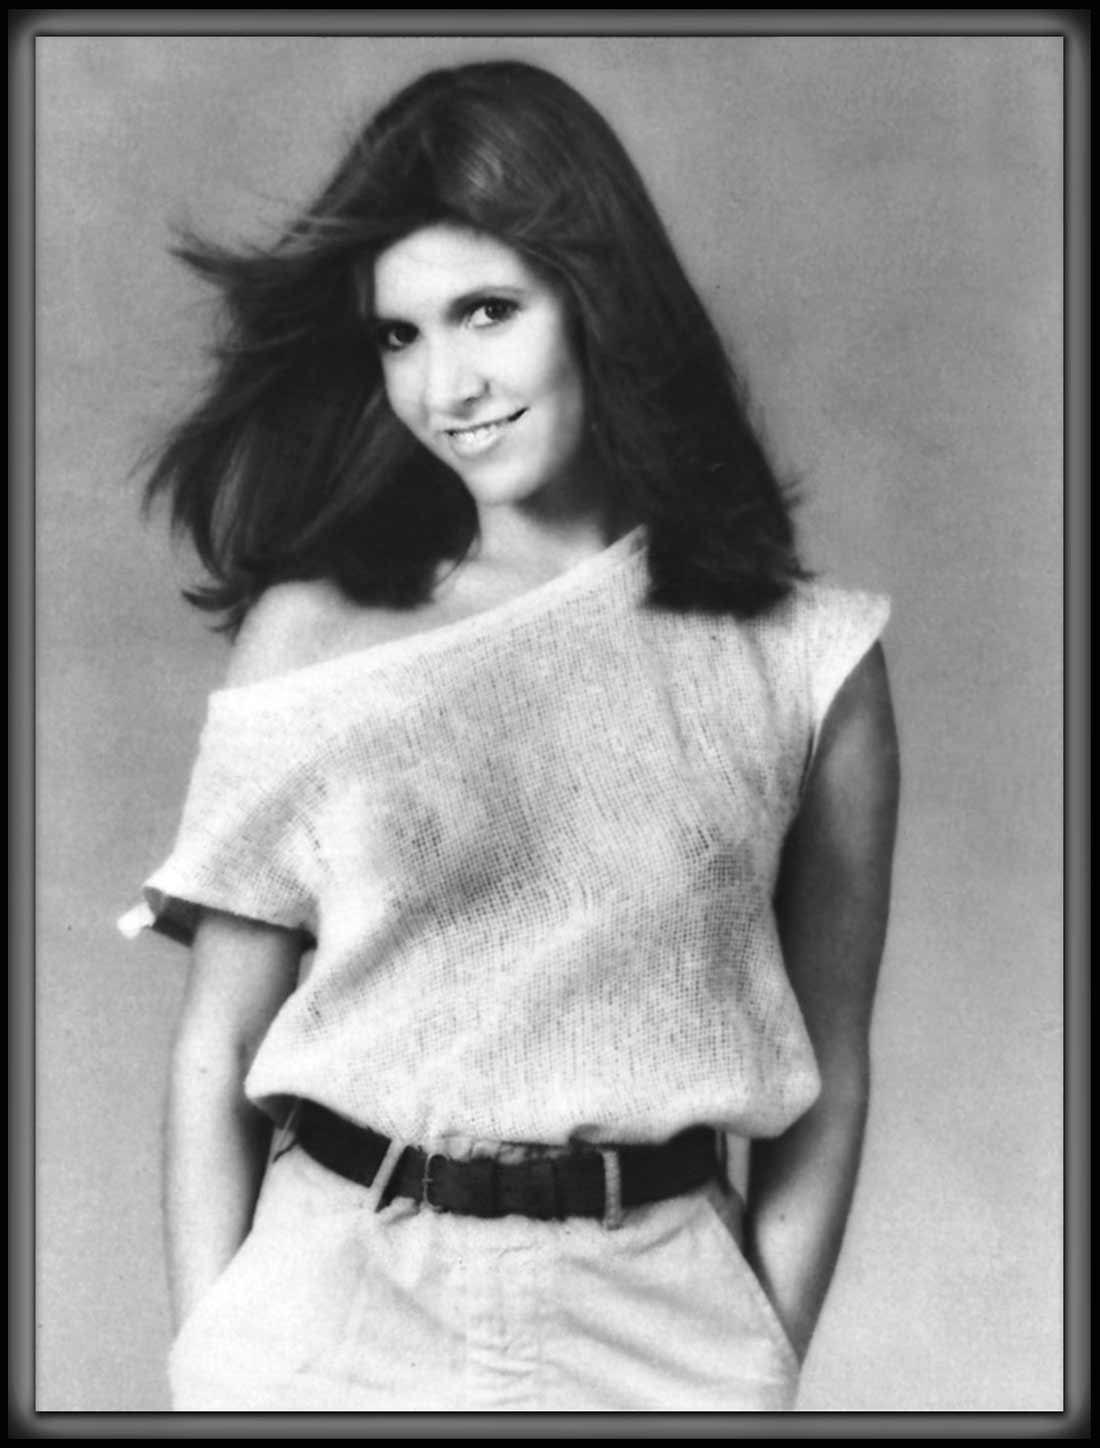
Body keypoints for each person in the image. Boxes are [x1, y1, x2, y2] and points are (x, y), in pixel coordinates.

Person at [120, 58, 900, 1412]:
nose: (447, 384)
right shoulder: (313, 631)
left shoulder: (806, 658)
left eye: (487, 311)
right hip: (331, 1313)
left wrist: (756, 1353)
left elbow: (829, 1068)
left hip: (659, 1323)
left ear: (598, 301)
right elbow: (216, 1051)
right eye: (399, 335)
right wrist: (211, 1357)